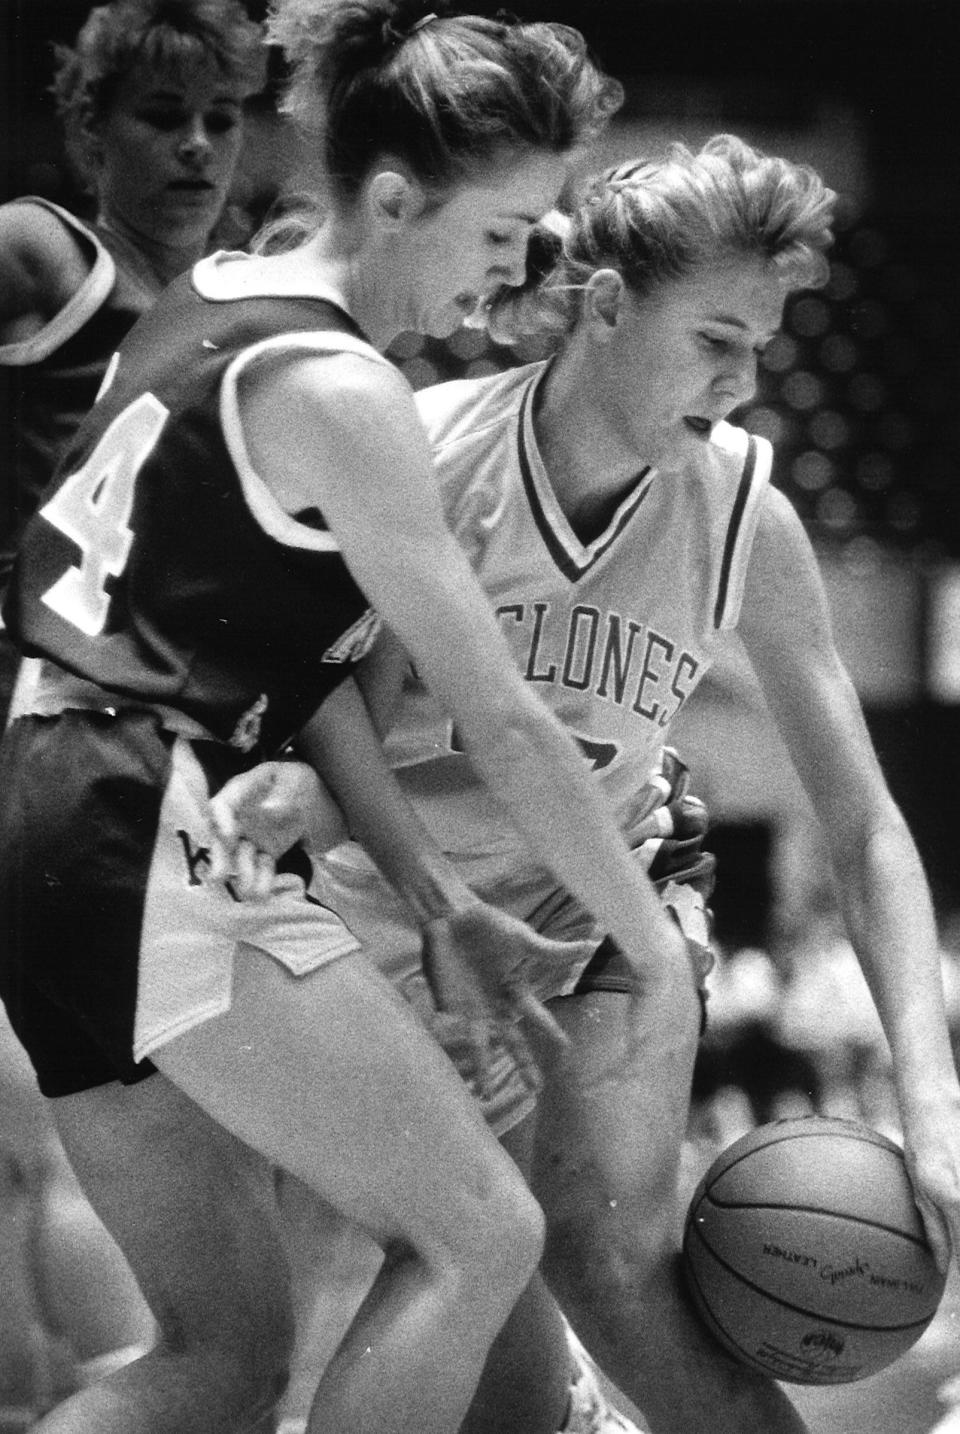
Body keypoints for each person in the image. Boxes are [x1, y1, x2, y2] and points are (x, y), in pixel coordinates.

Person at [0, 2, 705, 1430]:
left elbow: (310, 685)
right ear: (391, 201)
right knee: (479, 1233)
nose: (529, 269)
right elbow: (500, 721)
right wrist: (650, 942)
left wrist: (437, 894)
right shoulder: (345, 388)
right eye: (505, 231)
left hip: (42, 815)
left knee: (221, 1356)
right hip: (142, 808)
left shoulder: (217, 290)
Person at [222, 135, 960, 1434]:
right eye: (716, 339)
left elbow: (865, 825)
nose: (742, 383)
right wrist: (303, 798)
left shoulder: (744, 512)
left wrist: (934, 1102)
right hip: (404, 908)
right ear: (608, 303)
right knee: (377, 1308)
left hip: (616, 902)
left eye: (764, 346)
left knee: (608, 1263)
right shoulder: (428, 460)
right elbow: (330, 719)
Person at [0, 2, 264, 1422]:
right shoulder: (42, 253)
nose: (200, 145)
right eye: (164, 116)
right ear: (90, 128)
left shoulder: (250, 307)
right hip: (41, 748)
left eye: (223, 116)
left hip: (170, 776)